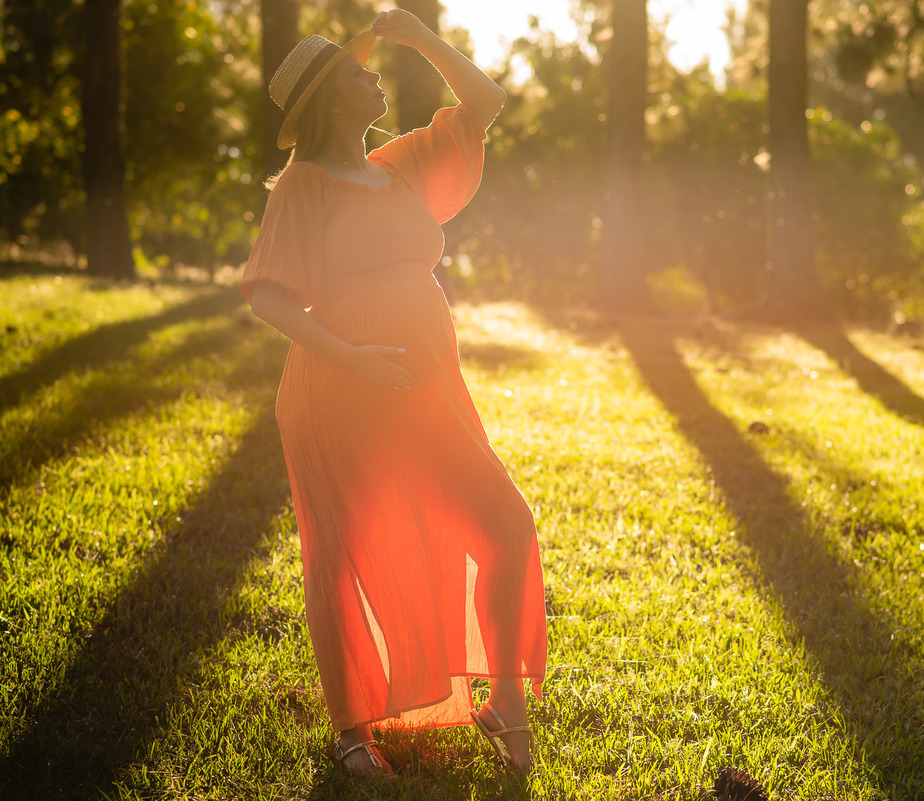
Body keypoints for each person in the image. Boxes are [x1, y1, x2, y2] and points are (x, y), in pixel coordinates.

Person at [239, 9, 547, 779]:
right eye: (356, 71)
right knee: (338, 554)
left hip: (421, 384)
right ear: (326, 103)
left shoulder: (401, 166)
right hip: (338, 385)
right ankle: (351, 732)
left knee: (505, 521)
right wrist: (353, 357)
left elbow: (485, 103)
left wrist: (415, 38)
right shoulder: (303, 185)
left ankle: (504, 693)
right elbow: (269, 297)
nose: (372, 75)